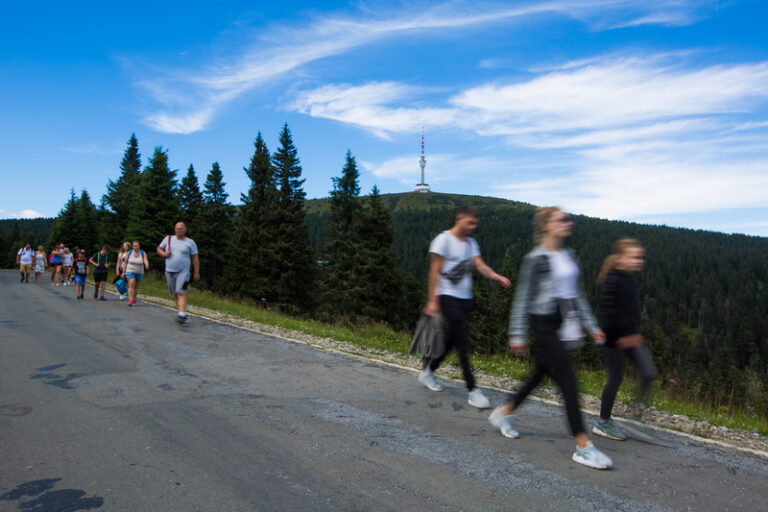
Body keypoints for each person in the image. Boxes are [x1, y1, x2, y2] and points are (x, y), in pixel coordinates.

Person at [489, 207, 613, 470]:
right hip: (542, 321)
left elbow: (577, 295)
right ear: (546, 225)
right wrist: (518, 334)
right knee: (568, 381)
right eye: (562, 219)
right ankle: (583, 446)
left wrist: (592, 326)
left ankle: (504, 412)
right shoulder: (536, 258)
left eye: (569, 219)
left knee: (540, 374)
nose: (569, 223)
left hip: (562, 323)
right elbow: (522, 298)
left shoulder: (569, 255)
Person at [420, 206, 511, 409]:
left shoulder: (471, 243)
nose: (473, 227)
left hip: (465, 299)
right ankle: (472, 389)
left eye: (475, 224)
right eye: (470, 222)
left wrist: (496, 276)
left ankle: (428, 371)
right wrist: (432, 300)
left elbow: (480, 265)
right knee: (462, 340)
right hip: (446, 296)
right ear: (459, 218)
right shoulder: (443, 240)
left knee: (453, 340)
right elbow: (433, 272)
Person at [593, 239, 659, 441]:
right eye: (634, 257)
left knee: (649, 373)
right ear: (620, 258)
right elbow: (609, 313)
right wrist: (622, 336)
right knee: (616, 378)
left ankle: (636, 416)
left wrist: (633, 333)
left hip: (630, 336)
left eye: (640, 257)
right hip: (614, 338)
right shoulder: (612, 280)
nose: (639, 261)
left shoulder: (629, 279)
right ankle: (603, 422)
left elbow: (630, 312)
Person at [157, 222, 200, 324]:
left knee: (181, 291)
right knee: (175, 293)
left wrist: (196, 272)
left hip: (183, 271)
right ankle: (181, 313)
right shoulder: (168, 239)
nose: (179, 230)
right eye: (177, 229)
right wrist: (163, 253)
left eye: (181, 229)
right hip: (169, 271)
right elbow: (159, 248)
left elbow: (195, 258)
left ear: (185, 229)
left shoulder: (190, 242)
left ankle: (182, 314)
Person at [121, 241, 149, 306]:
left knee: (136, 286)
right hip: (130, 270)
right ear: (132, 247)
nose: (136, 247)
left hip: (139, 271)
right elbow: (125, 263)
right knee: (131, 284)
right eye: (134, 246)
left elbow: (145, 260)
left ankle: (133, 299)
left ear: (139, 246)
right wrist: (123, 272)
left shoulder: (142, 253)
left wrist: (146, 264)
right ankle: (130, 300)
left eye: (137, 246)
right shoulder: (129, 253)